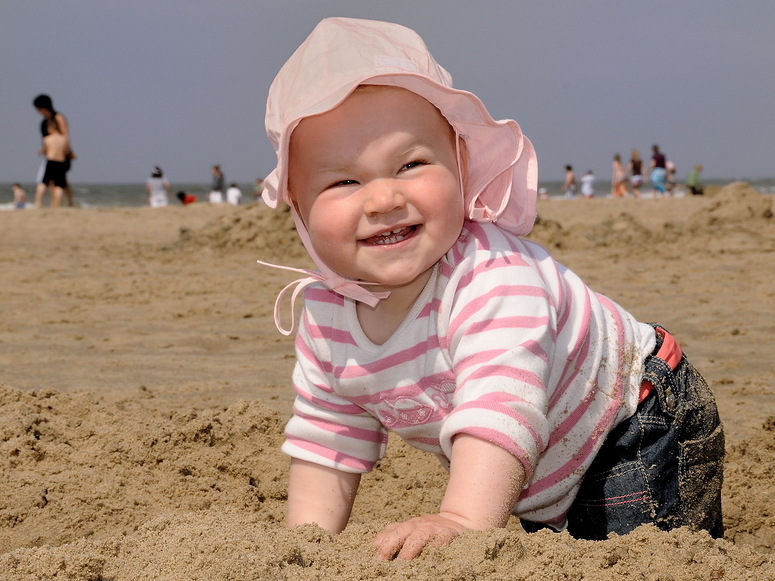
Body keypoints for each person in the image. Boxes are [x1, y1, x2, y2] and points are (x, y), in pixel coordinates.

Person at [257, 17, 724, 561]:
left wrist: (459, 521)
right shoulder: (324, 315)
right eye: (344, 181)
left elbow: (501, 408)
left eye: (410, 164)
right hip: (537, 463)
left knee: (640, 557)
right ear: (298, 204)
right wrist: (303, 550)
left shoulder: (493, 276)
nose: (383, 198)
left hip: (630, 418)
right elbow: (326, 440)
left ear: (460, 164)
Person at [33, 95, 74, 207]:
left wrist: (67, 150)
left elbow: (65, 134)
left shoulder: (58, 117)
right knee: (57, 181)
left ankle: (64, 202)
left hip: (60, 154)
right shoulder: (44, 121)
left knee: (59, 181)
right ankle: (57, 203)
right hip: (52, 154)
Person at [35, 118, 70, 208]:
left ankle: (38, 203)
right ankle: (57, 204)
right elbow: (66, 152)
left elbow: (46, 150)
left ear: (50, 128)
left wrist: (42, 151)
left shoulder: (47, 139)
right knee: (59, 184)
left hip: (51, 161)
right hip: (61, 162)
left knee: (44, 182)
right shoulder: (64, 139)